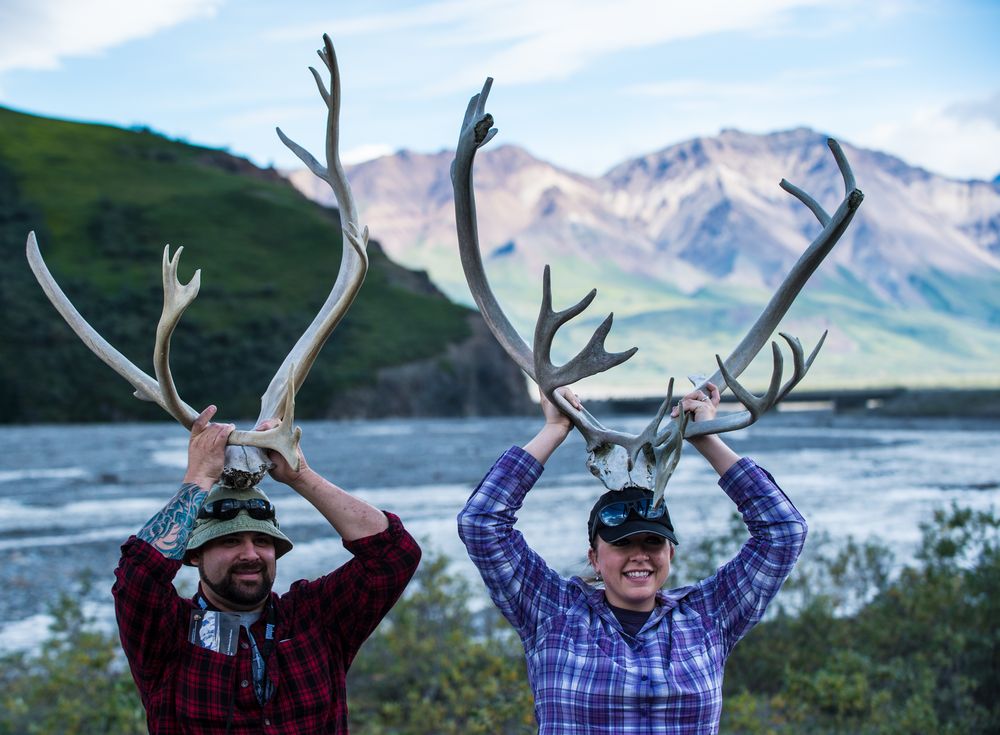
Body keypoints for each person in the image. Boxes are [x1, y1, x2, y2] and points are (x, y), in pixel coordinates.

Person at [457, 384, 807, 734]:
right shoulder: (552, 614)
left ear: (670, 553)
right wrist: (555, 429)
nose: (639, 555)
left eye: (653, 543)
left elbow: (784, 532)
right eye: (622, 544)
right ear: (594, 558)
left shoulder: (708, 616)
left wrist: (705, 438)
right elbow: (481, 524)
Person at [113, 405, 421, 734]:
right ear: (193, 556)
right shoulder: (169, 631)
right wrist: (198, 479)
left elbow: (394, 554)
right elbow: (137, 580)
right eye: (229, 542)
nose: (250, 554)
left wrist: (300, 475)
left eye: (262, 540)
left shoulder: (313, 616)